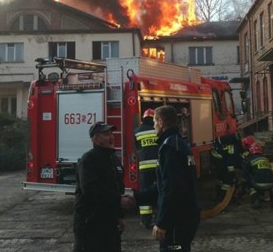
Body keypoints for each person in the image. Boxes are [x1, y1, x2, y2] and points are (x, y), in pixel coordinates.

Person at [136, 105, 200, 252]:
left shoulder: (170, 148)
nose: (153, 126)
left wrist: (162, 222)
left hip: (176, 221)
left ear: (161, 122)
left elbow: (171, 188)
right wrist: (136, 198)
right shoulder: (178, 143)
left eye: (154, 122)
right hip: (183, 216)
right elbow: (164, 185)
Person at [73, 121, 134, 252]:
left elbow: (118, 187)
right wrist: (119, 200)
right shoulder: (89, 160)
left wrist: (119, 216)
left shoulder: (113, 159)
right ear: (96, 139)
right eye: (106, 134)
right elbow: (90, 189)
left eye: (112, 133)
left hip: (110, 225)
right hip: (90, 225)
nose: (111, 137)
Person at [134, 108, 158, 229]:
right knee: (160, 192)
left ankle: (145, 221)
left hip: (144, 168)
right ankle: (159, 219)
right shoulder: (158, 130)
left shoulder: (137, 131)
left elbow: (136, 148)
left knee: (145, 193)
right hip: (158, 168)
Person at [241, 142, 273, 209]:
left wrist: (243, 186)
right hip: (272, 183)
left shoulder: (249, 160)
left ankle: (256, 201)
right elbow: (268, 171)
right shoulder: (266, 159)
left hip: (258, 184)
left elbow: (245, 175)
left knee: (251, 186)